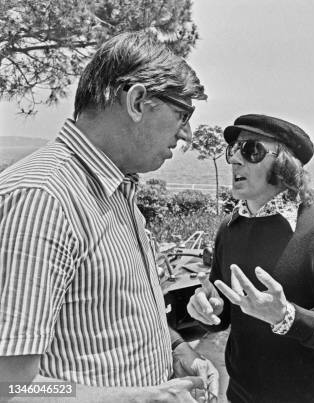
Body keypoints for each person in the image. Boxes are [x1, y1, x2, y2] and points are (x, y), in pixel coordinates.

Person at [0, 31, 218, 402]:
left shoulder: (117, 191)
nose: (187, 134)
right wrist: (134, 398)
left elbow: (118, 314)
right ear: (136, 101)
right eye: (183, 113)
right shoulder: (43, 198)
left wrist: (178, 352)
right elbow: (9, 387)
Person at [187, 114, 314, 402]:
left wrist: (288, 317)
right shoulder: (230, 229)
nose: (235, 160)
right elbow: (223, 314)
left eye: (250, 150)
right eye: (233, 150)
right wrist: (207, 311)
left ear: (284, 163)